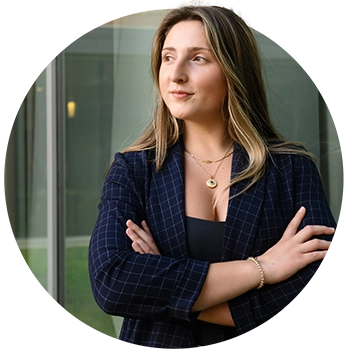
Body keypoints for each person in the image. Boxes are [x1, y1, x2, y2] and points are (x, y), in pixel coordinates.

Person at [88, 5, 336, 351]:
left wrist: (166, 285)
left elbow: (323, 293)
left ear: (234, 71)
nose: (175, 75)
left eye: (198, 59)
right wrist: (263, 267)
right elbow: (113, 283)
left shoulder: (291, 168)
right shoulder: (133, 169)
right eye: (168, 57)